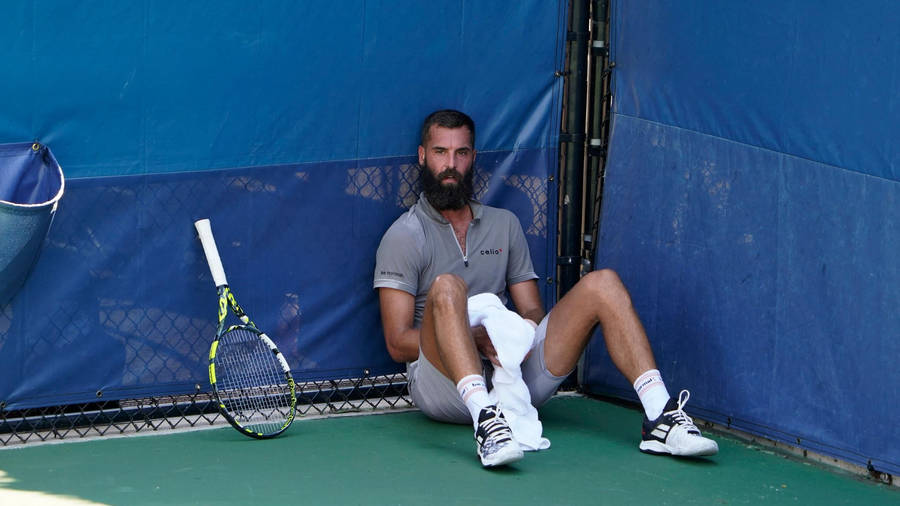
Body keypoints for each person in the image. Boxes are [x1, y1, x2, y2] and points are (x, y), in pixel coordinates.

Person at [373, 109, 718, 467]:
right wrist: (473, 336)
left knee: (605, 284)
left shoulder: (504, 224)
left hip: (512, 377)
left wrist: (515, 337)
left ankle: (660, 416)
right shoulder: (404, 236)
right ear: (422, 156)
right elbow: (398, 343)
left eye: (461, 153)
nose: (450, 164)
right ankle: (486, 424)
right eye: (440, 152)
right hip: (443, 388)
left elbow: (533, 312)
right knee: (448, 287)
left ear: (473, 158)